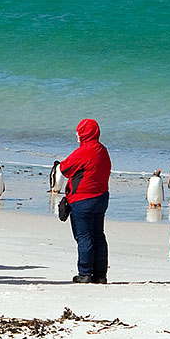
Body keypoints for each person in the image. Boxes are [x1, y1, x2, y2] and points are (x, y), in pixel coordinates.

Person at [60, 119, 111, 283]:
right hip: (101, 197)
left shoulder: (84, 151)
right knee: (98, 235)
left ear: (85, 133)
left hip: (83, 199)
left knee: (84, 237)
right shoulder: (103, 150)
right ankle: (100, 274)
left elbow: (64, 168)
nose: (76, 134)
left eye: (79, 131)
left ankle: (85, 272)